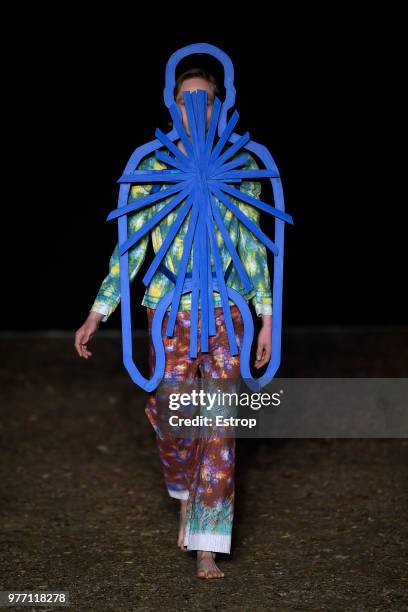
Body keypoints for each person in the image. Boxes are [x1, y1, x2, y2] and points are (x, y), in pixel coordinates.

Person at [74, 68, 273, 579]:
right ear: (173, 105)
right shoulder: (155, 165)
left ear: (222, 104)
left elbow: (252, 243)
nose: (197, 107)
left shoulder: (241, 164)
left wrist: (266, 317)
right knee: (174, 417)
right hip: (169, 311)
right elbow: (131, 247)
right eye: (187, 99)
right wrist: (100, 312)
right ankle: (184, 492)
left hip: (228, 310)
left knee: (222, 426)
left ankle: (208, 544)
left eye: (206, 98)